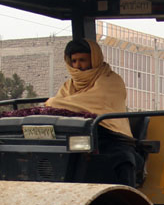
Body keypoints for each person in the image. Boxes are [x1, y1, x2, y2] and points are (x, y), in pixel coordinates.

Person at [43, 38, 144, 187]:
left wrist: (54, 103)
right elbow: (58, 107)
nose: (78, 65)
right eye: (74, 61)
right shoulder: (68, 85)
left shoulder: (111, 80)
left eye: (82, 60)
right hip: (77, 137)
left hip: (111, 137)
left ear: (94, 59)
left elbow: (93, 101)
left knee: (121, 158)